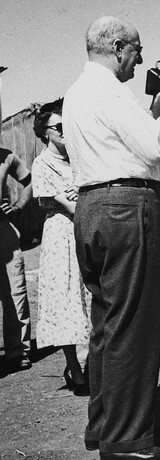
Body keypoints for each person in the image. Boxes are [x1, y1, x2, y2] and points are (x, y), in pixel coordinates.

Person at [63, 16, 160, 460]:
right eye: (136, 50)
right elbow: (156, 150)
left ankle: (103, 428)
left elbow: (125, 142)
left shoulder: (78, 92)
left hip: (93, 206)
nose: (139, 59)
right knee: (134, 327)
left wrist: (155, 110)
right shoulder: (110, 91)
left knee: (108, 324)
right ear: (118, 47)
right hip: (127, 206)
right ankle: (126, 441)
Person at [31, 104, 92, 396]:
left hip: (87, 229)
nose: (65, 131)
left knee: (91, 295)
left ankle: (94, 364)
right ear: (45, 133)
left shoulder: (80, 160)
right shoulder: (42, 164)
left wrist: (81, 191)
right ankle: (76, 371)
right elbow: (73, 206)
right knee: (65, 298)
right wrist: (80, 194)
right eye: (59, 127)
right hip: (62, 235)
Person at [0, 147, 32, 373]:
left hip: (4, 233)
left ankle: (18, 350)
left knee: (14, 291)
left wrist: (18, 206)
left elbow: (31, 181)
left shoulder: (7, 156)